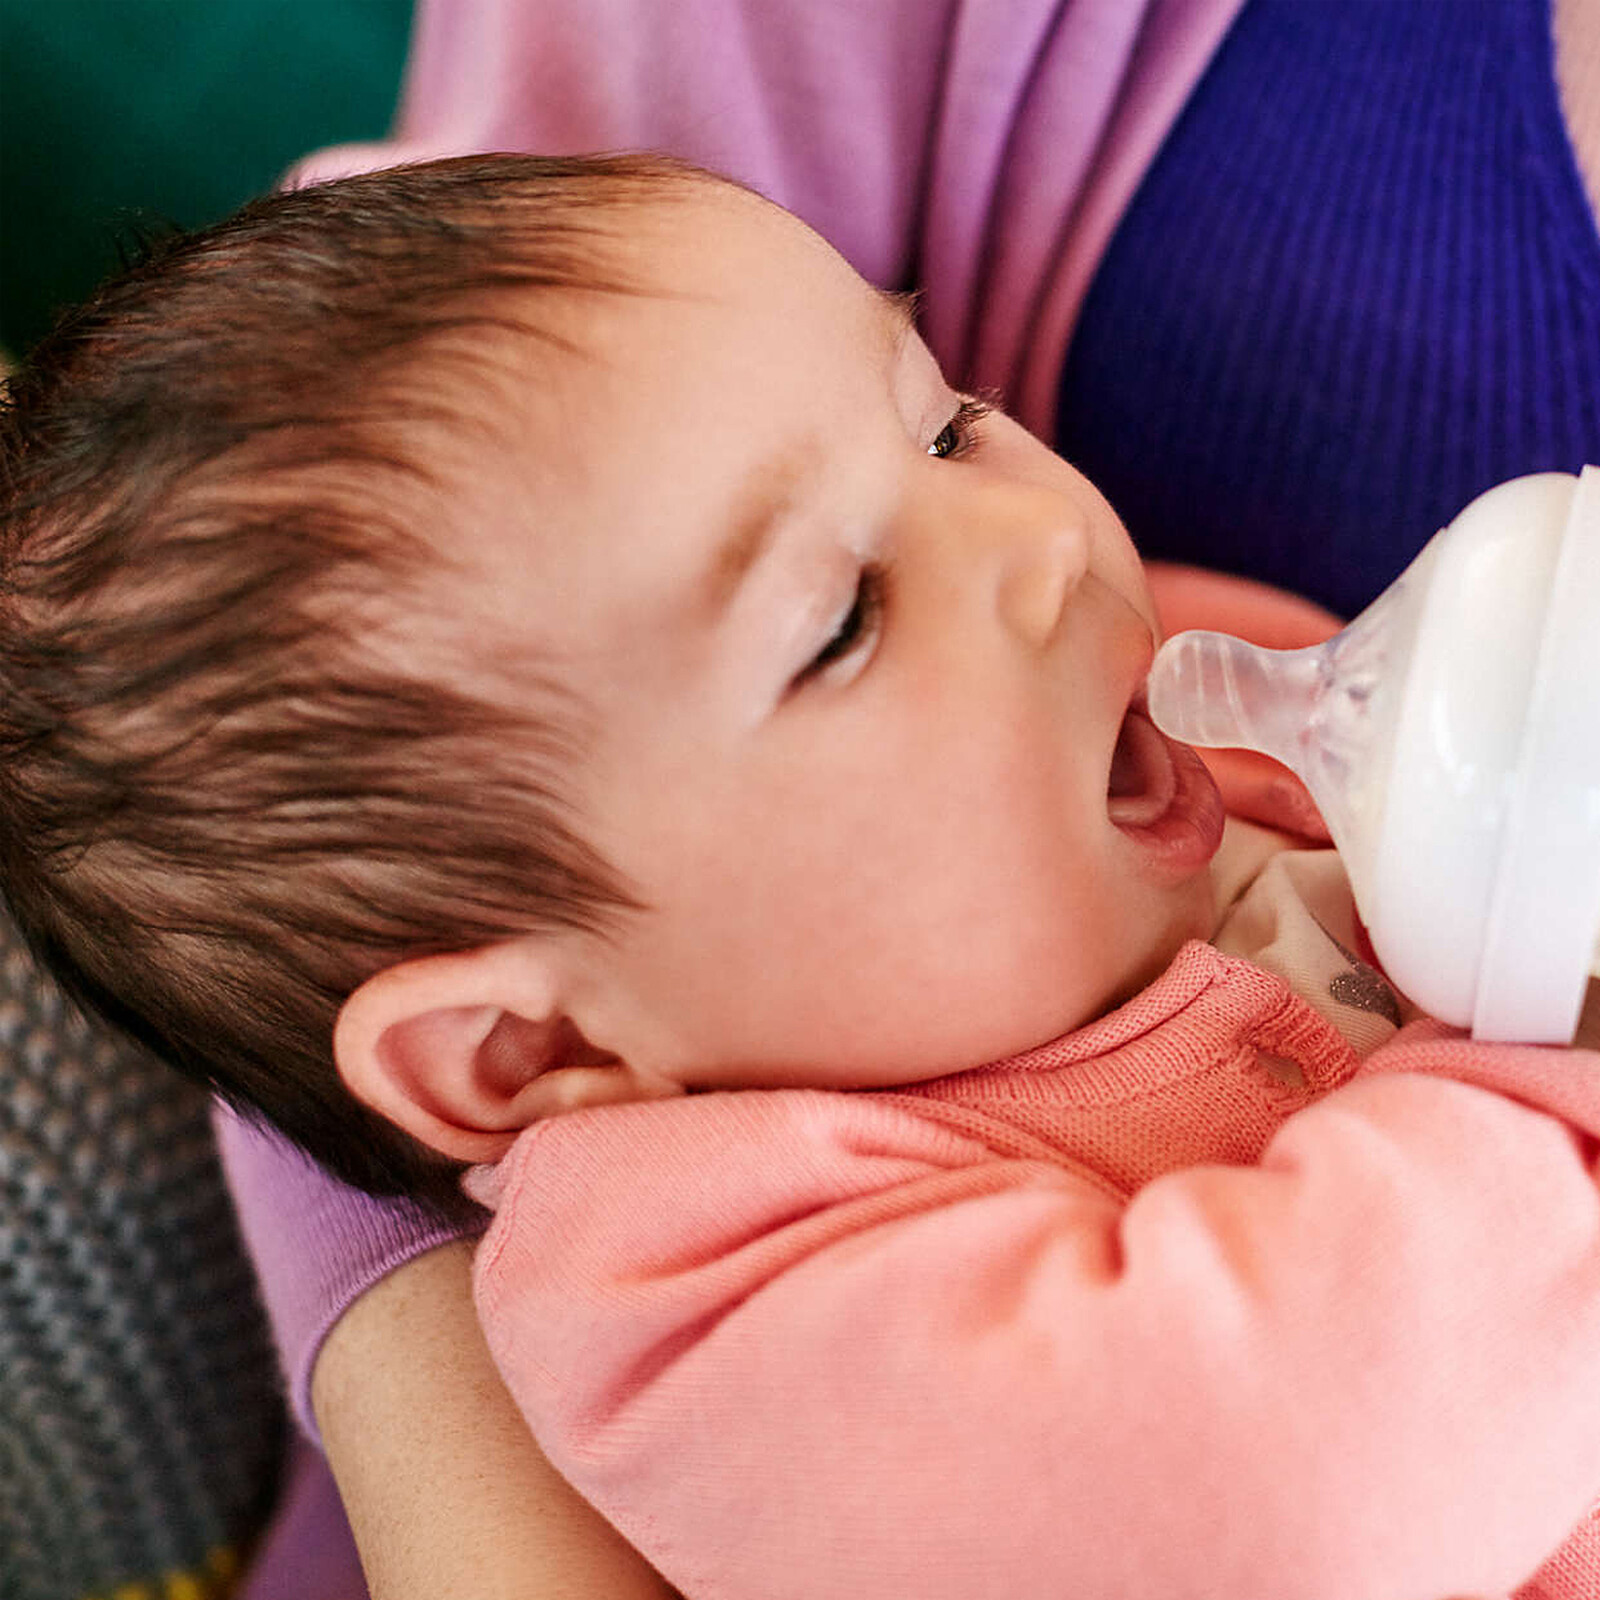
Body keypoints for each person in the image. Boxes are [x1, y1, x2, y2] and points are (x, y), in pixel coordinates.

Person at [3, 153, 1599, 1600]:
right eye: (841, 621)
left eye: (948, 424)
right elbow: (1286, 1493)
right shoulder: (710, 1280)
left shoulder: (1196, 689)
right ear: (535, 1045)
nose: (1038, 544)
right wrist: (1550, 1058)